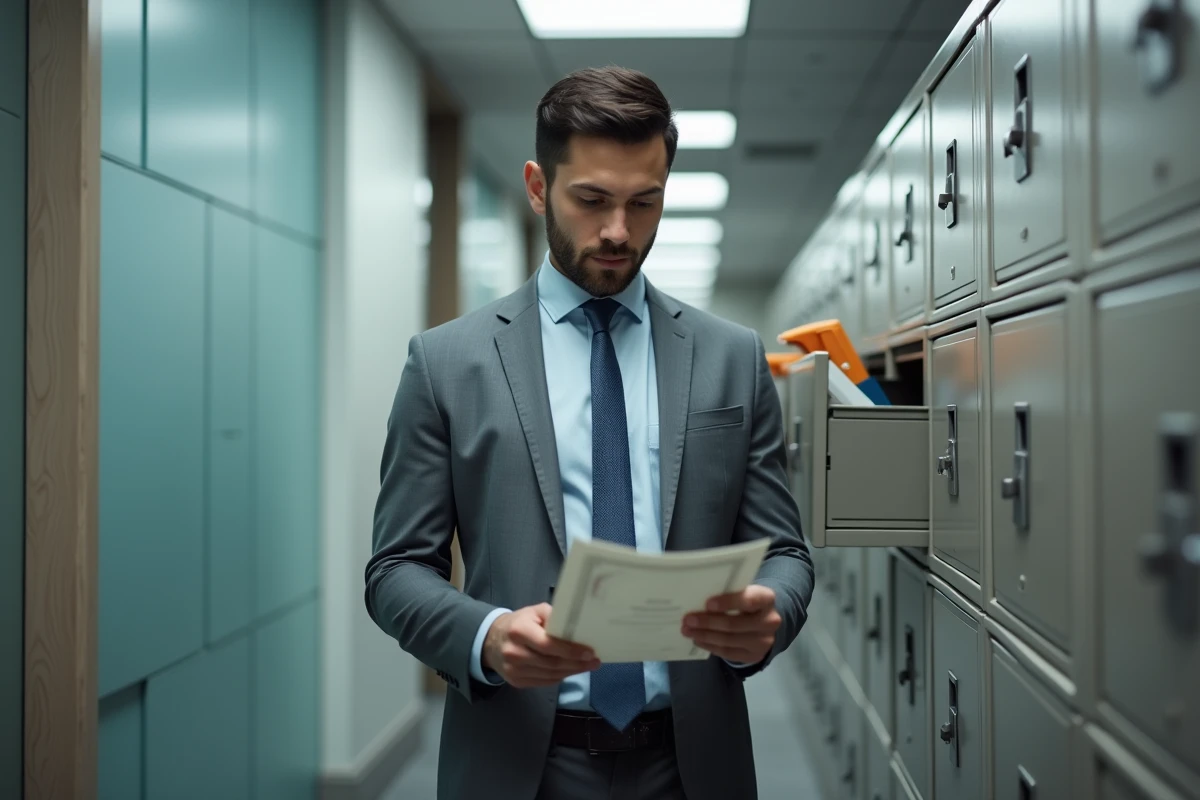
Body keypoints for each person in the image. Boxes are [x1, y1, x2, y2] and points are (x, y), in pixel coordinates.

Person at [365, 65, 814, 800]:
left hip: (692, 760)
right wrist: (487, 637)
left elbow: (787, 552)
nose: (618, 231)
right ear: (539, 188)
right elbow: (394, 572)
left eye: (645, 203)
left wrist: (773, 610)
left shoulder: (732, 357)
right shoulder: (447, 363)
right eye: (592, 200)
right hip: (517, 761)